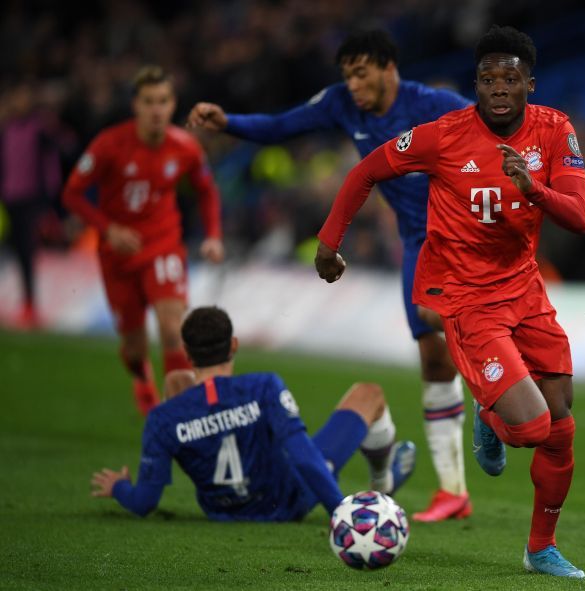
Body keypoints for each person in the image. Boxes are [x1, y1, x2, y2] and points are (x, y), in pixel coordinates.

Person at [314, 26, 585, 578]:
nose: (499, 89)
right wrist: (327, 244)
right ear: (477, 85)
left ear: (529, 84)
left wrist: (532, 187)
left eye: (510, 78)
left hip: (526, 289)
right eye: (488, 79)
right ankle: (488, 413)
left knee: (561, 427)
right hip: (466, 297)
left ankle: (540, 549)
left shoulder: (555, 129)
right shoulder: (443, 135)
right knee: (531, 429)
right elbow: (367, 170)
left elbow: (578, 217)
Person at [186, 30, 473, 522]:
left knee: (449, 330)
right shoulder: (342, 104)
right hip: (416, 244)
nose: (353, 84)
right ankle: (453, 491)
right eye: (347, 75)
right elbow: (283, 125)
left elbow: (502, 129)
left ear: (389, 67)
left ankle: (494, 414)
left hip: (467, 236)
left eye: (362, 73)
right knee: (431, 351)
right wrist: (229, 121)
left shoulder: (435, 104)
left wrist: (555, 166)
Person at [90, 306, 417, 521]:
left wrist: (119, 487)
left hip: (221, 509)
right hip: (286, 501)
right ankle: (382, 483)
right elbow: (304, 456)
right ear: (233, 346)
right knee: (369, 393)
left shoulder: (161, 418)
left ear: (188, 353)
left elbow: (144, 501)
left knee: (177, 383)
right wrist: (340, 513)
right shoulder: (263, 387)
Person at [62, 66, 224, 416]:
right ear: (136, 104)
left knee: (172, 328)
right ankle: (142, 378)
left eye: (163, 101)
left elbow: (206, 190)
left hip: (162, 245)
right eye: (149, 101)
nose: (156, 109)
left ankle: (179, 412)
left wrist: (212, 235)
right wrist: (109, 229)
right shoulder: (109, 144)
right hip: (117, 255)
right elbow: (72, 194)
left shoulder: (185, 147)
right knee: (134, 348)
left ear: (172, 105)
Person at [0, 82, 63, 329]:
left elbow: (52, 166)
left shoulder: (39, 130)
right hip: (7, 200)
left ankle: (30, 305)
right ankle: (23, 302)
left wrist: (49, 201)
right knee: (15, 252)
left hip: (30, 200)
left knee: (27, 253)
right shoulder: (7, 130)